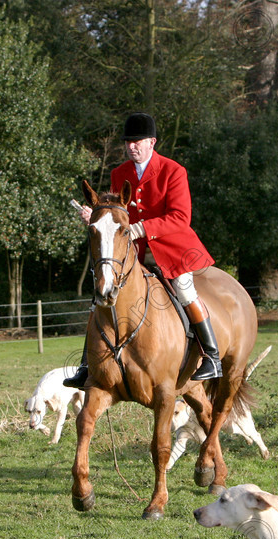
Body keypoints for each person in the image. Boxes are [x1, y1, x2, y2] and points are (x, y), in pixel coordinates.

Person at [65, 112, 220, 388]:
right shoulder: (118, 173)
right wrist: (97, 216)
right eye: (128, 142)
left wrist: (140, 229)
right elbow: (116, 214)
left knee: (184, 289)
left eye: (137, 142)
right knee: (101, 292)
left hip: (172, 250)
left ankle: (211, 356)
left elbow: (180, 218)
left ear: (152, 142)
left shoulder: (174, 171)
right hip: (130, 253)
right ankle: (87, 364)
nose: (131, 146)